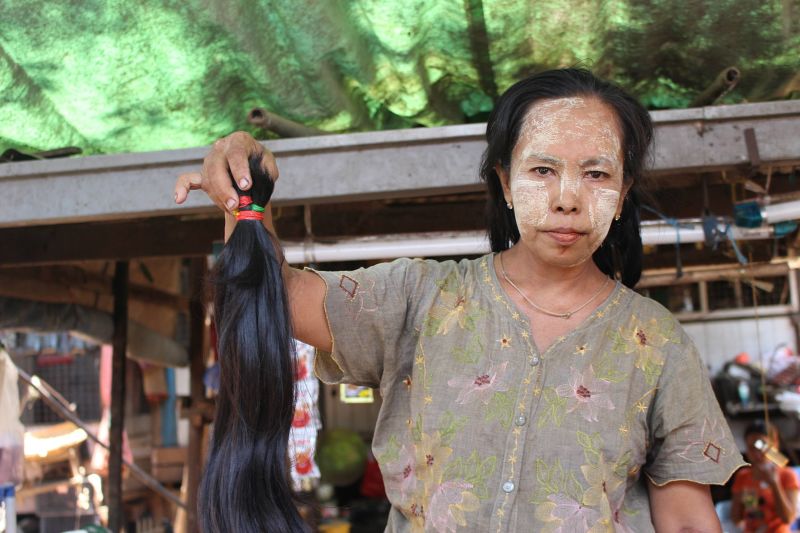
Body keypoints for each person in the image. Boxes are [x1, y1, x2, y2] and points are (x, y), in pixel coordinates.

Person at [175, 68, 746, 531]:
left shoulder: (658, 342)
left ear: (622, 196)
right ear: (504, 182)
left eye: (596, 174)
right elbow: (273, 299)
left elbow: (687, 521)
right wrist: (243, 193)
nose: (568, 198)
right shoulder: (419, 297)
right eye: (542, 170)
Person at [731, 420, 799, 532]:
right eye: (752, 448)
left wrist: (774, 484)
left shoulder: (787, 475)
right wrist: (744, 497)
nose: (757, 454)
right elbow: (737, 519)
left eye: (762, 446)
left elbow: (788, 519)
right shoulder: (743, 476)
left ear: (775, 444)